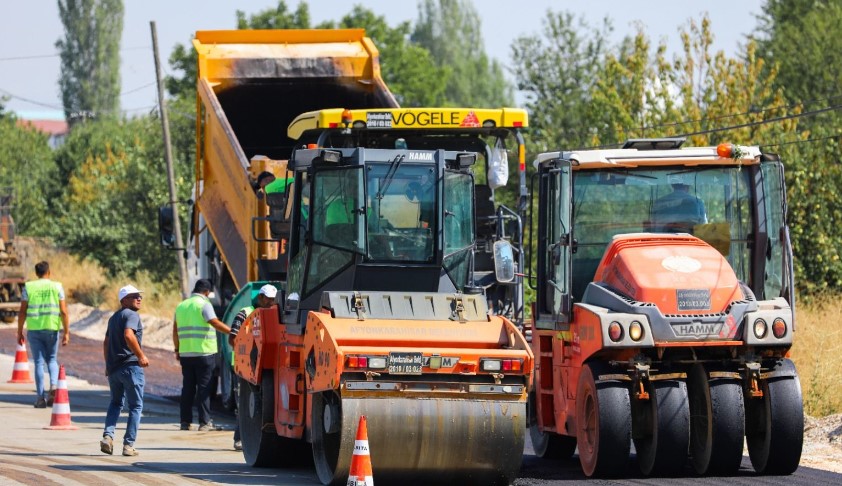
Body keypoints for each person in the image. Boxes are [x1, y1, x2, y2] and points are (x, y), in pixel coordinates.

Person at [173, 279, 231, 431]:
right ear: (206, 292)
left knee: (188, 388)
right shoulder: (204, 304)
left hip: (186, 354)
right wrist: (232, 332)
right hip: (204, 353)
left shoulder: (181, 306)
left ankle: (185, 422)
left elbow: (175, 330)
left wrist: (177, 349)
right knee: (204, 388)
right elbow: (214, 322)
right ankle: (204, 423)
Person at [100, 285, 149, 457]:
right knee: (136, 406)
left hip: (114, 369)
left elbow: (106, 343)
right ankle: (128, 445)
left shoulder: (113, 318)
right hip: (130, 367)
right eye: (134, 296)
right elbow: (129, 335)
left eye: (139, 295)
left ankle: (108, 435)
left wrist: (107, 365)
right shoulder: (131, 314)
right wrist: (141, 355)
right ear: (124, 300)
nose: (139, 298)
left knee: (115, 403)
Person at [228, 284, 278, 451]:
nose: (271, 303)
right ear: (260, 298)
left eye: (273, 300)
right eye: (268, 300)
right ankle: (239, 438)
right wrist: (244, 356)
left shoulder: (274, 314)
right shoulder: (246, 312)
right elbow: (233, 338)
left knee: (260, 403)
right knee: (244, 403)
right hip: (246, 366)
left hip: (263, 365)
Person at [16, 261, 70, 408]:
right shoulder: (57, 286)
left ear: (36, 273)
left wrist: (19, 331)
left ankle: (40, 398)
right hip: (52, 328)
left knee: (38, 363)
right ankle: (53, 385)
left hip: (34, 329)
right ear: (49, 272)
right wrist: (66, 332)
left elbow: (22, 312)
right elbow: (64, 312)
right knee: (52, 360)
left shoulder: (29, 287)